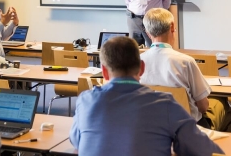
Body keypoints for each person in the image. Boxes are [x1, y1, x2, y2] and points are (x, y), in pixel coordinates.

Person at [70, 36, 223, 156]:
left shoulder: (85, 101)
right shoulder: (165, 104)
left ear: (104, 71)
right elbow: (202, 149)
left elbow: (76, 141)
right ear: (142, 68)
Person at [140, 8, 229, 130]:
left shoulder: (136, 62)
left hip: (152, 126)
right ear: (172, 27)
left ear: (148, 33)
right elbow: (203, 106)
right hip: (188, 128)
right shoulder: (185, 62)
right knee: (222, 103)